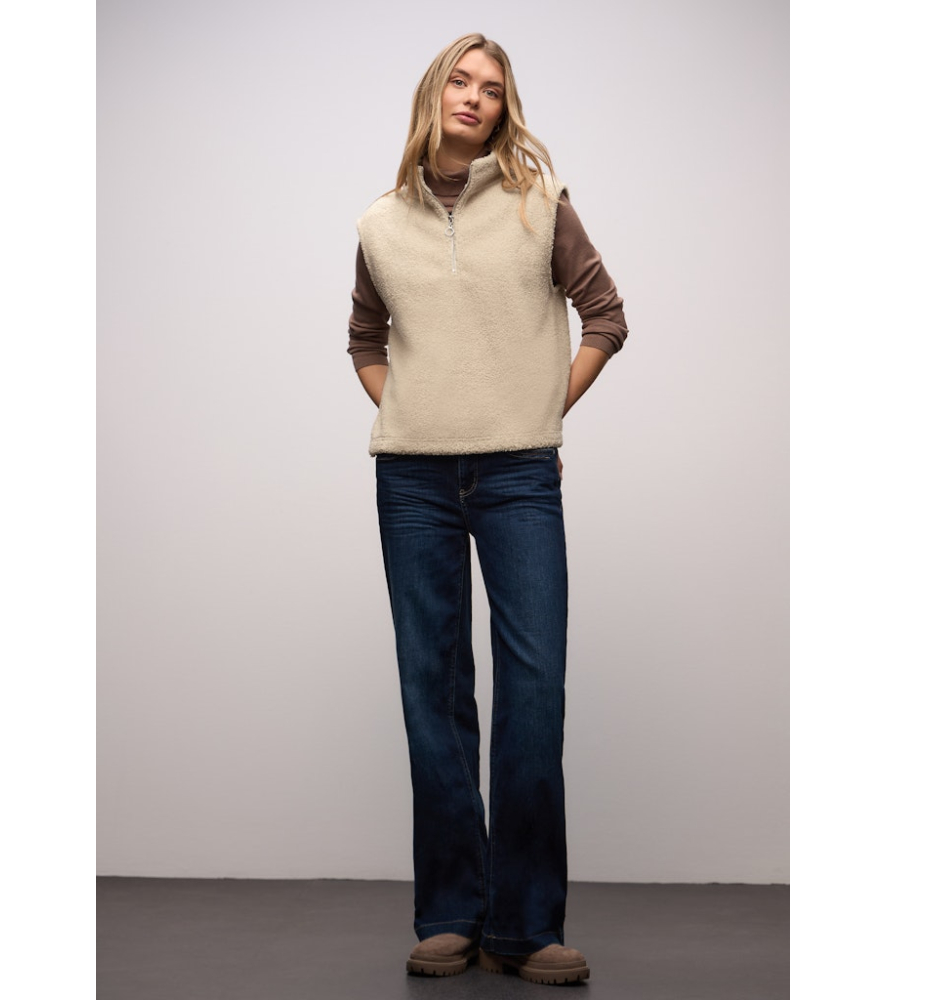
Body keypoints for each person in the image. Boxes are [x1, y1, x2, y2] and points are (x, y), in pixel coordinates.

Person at [347, 33, 628, 986]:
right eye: (461, 82)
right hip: (412, 484)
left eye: (493, 89)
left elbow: (606, 316)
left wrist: (540, 412)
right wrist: (411, 411)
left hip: (518, 476)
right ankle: (450, 913)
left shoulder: (540, 205)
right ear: (434, 93)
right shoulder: (380, 223)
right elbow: (364, 340)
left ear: (507, 108)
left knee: (533, 690)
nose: (474, 98)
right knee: (432, 694)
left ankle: (525, 925)